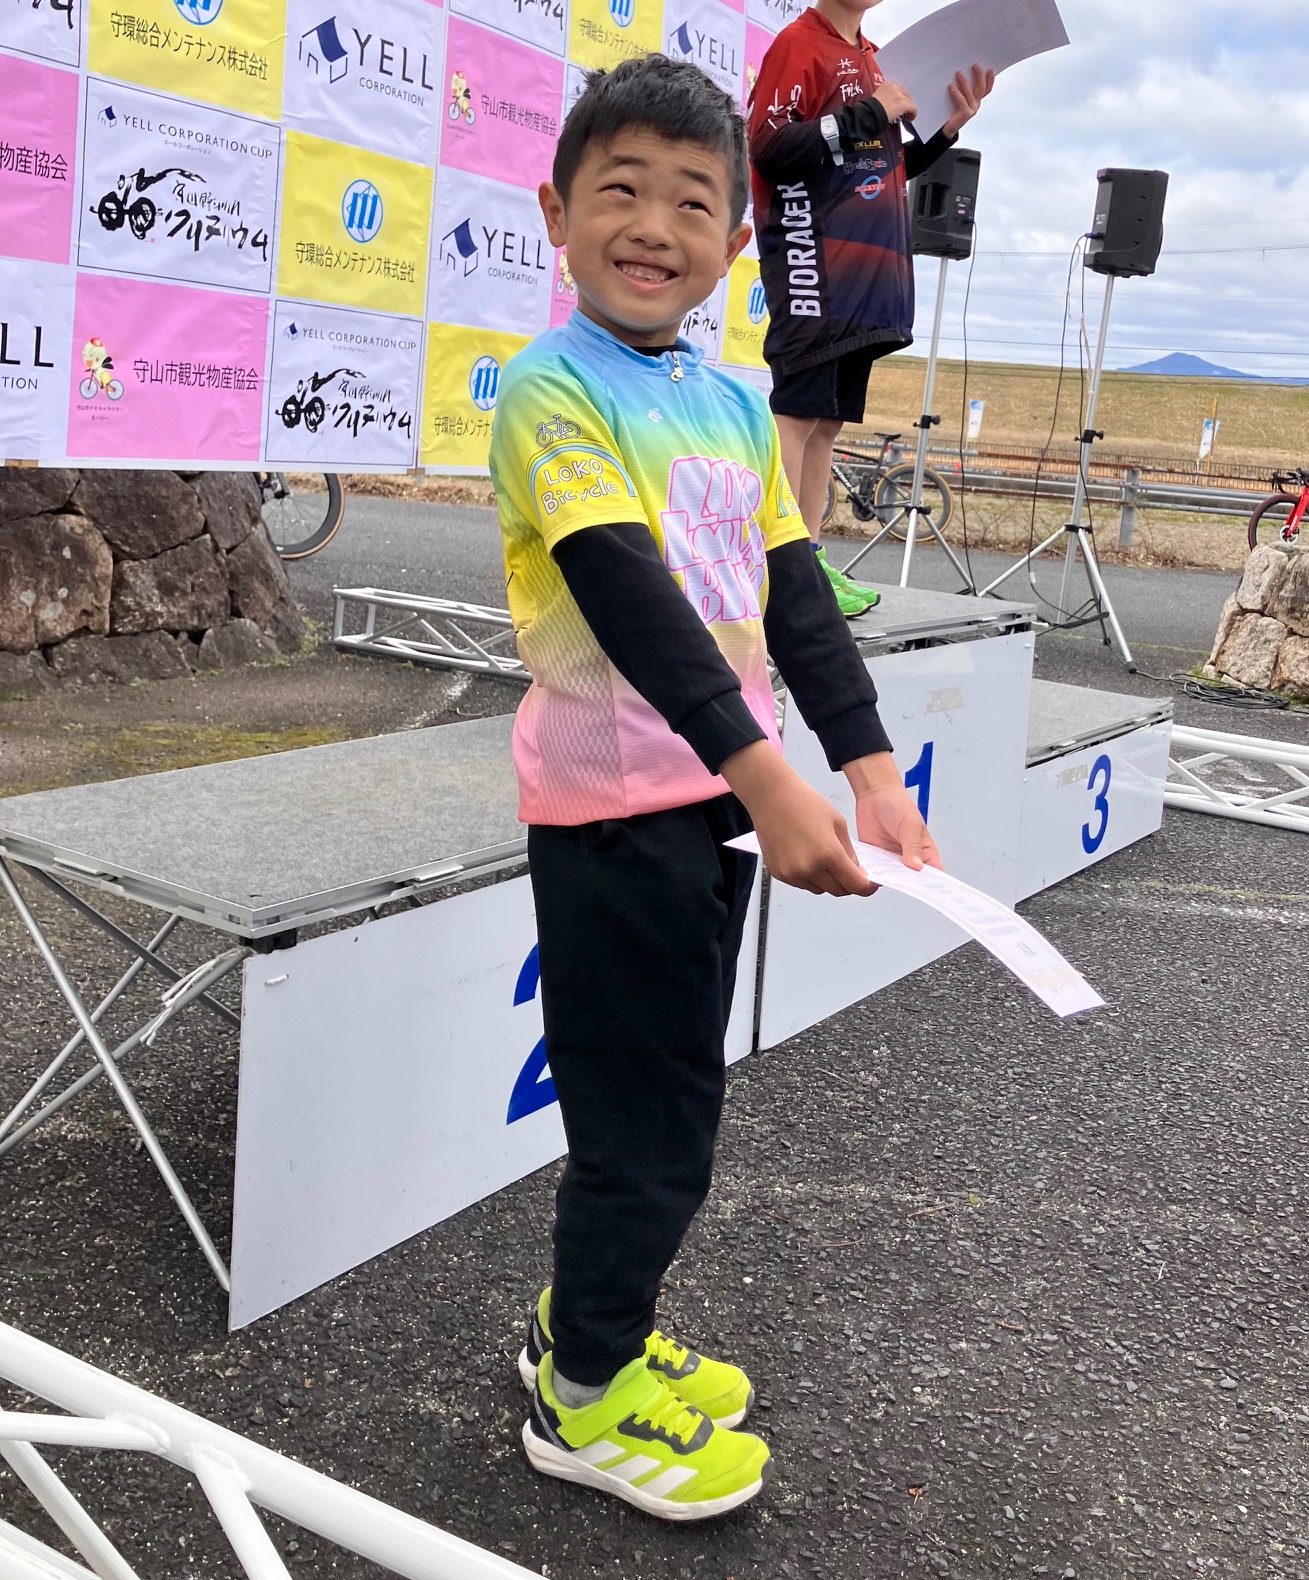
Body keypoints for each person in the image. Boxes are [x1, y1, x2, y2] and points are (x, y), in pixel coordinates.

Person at [488, 53, 942, 1522]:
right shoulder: (552, 391)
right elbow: (629, 596)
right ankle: (582, 1398)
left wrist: (867, 767)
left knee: (670, 1096)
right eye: (619, 189)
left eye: (693, 200)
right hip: (613, 819)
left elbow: (793, 597)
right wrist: (769, 775)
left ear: (737, 241)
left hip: (705, 812)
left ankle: (588, 1327)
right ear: (556, 211)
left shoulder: (737, 404)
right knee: (648, 1130)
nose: (654, 225)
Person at [749, 1, 994, 615]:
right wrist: (870, 111)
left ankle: (806, 561)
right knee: (798, 413)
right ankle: (771, 565)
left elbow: (884, 163)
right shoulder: (798, 44)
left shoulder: (873, 56)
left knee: (826, 421)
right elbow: (769, 147)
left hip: (867, 271)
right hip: (812, 255)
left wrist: (946, 130)